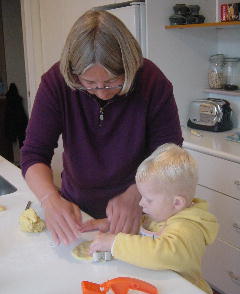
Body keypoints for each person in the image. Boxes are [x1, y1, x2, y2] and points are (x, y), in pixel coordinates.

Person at [20, 9, 183, 246]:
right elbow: (33, 154)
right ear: (74, 75)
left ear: (129, 68)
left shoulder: (152, 81)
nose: (102, 92)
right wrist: (49, 199)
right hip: (79, 213)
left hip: (142, 209)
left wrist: (136, 192)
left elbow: (169, 155)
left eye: (113, 82)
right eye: (89, 84)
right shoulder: (56, 82)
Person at [86, 143, 219, 294]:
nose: (141, 202)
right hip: (164, 291)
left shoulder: (188, 228)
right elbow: (142, 230)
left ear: (176, 203)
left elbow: (162, 252)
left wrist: (114, 242)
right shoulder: (161, 215)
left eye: (148, 199)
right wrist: (111, 224)